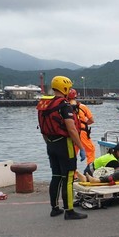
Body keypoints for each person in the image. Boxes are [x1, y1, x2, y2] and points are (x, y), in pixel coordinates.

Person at [37, 76, 87, 220]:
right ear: (64, 88)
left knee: (56, 176)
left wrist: (49, 144)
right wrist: (81, 147)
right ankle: (69, 211)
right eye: (69, 87)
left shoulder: (44, 105)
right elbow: (71, 129)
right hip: (64, 144)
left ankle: (54, 208)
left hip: (51, 144)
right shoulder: (64, 106)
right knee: (69, 177)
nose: (70, 90)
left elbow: (43, 128)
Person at [68, 88, 96, 167]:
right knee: (90, 151)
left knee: (72, 154)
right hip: (82, 133)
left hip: (71, 133)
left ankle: (74, 174)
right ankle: (90, 170)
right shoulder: (82, 106)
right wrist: (83, 123)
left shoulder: (65, 107)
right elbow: (91, 120)